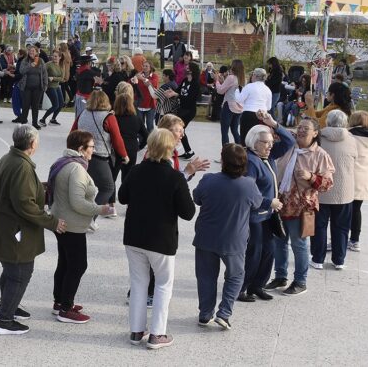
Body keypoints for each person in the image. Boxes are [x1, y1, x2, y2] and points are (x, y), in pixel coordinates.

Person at [0, 124, 66, 335]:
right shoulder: (22, 166)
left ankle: (6, 306)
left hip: (4, 226)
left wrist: (40, 186)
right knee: (20, 272)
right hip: (13, 230)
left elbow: (20, 191)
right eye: (37, 140)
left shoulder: (10, 158)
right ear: (31, 143)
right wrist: (52, 222)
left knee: (10, 270)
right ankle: (5, 321)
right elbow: (24, 203)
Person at [119, 128, 196, 349]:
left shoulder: (136, 170)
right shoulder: (174, 177)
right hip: (161, 240)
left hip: (134, 237)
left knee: (138, 283)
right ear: (170, 149)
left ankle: (136, 331)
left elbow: (122, 197)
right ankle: (157, 334)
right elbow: (188, 213)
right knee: (163, 285)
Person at [48, 130, 116, 324]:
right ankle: (66, 309)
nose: (93, 151)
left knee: (65, 262)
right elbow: (77, 202)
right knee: (78, 265)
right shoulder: (76, 169)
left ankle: (59, 301)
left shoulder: (61, 162)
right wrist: (102, 209)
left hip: (60, 220)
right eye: (92, 147)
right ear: (81, 149)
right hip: (72, 225)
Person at [191, 143, 262, 330]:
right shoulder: (248, 185)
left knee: (206, 276)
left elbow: (196, 198)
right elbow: (257, 204)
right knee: (236, 276)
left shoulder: (208, 180)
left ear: (222, 160)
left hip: (206, 237)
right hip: (234, 240)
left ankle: (205, 314)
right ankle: (224, 313)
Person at [267, 117, 334, 296]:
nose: (301, 131)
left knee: (299, 244)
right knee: (279, 241)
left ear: (315, 133)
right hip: (280, 202)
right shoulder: (288, 146)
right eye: (300, 127)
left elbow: (328, 184)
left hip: (302, 206)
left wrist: (311, 177)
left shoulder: (320, 155)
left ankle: (300, 281)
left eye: (306, 128)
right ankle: (280, 276)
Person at [236, 113, 294, 304]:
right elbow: (248, 191)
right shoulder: (252, 161)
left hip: (268, 215)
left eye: (271, 141)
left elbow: (289, 141)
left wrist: (273, 124)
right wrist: (270, 201)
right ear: (254, 142)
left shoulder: (266, 156)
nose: (270, 145)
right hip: (255, 216)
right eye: (266, 142)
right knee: (254, 252)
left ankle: (257, 285)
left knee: (268, 251)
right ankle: (241, 287)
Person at [71, 91, 128, 224]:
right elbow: (117, 139)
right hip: (98, 156)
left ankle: (81, 215)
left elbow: (73, 133)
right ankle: (89, 219)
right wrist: (124, 154)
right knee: (107, 187)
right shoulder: (108, 117)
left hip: (81, 156)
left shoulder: (83, 114)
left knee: (85, 187)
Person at [312, 110, 357, 270]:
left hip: (322, 189)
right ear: (345, 123)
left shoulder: (318, 138)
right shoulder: (352, 140)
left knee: (319, 226)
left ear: (327, 122)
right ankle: (339, 260)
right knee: (342, 227)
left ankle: (317, 259)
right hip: (344, 191)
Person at [348, 111, 368, 253]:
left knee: (345, 211)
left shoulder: (350, 135)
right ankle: (355, 240)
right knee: (357, 209)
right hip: (365, 177)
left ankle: (340, 238)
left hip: (351, 176)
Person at [113, 86, 146, 199]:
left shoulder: (114, 118)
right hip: (132, 148)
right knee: (127, 176)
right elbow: (146, 135)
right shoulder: (136, 118)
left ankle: (111, 201)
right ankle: (126, 198)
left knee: (112, 176)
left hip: (116, 149)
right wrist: (139, 146)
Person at [235, 68, 272, 141]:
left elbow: (239, 99)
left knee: (245, 138)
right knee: (258, 139)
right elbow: (268, 107)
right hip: (262, 116)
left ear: (255, 76)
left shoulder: (249, 86)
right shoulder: (268, 89)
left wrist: (236, 90)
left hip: (248, 114)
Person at [16, 46, 49, 129]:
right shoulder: (25, 60)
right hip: (26, 87)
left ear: (36, 52)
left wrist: (45, 85)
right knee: (26, 105)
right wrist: (30, 65)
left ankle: (35, 123)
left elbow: (45, 73)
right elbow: (21, 71)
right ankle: (24, 122)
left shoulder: (41, 61)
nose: (31, 52)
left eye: (33, 51)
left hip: (38, 88)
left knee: (35, 106)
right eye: (30, 51)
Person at [175, 65, 203, 160]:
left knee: (179, 129)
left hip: (189, 111)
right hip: (182, 109)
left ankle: (186, 151)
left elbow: (190, 99)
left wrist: (177, 95)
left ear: (192, 71)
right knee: (180, 130)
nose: (185, 69)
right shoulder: (184, 80)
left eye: (188, 68)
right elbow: (177, 91)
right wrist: (171, 92)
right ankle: (188, 151)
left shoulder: (195, 83)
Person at [217, 61, 244, 145]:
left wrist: (217, 81)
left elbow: (220, 91)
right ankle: (241, 151)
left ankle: (225, 154)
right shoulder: (242, 78)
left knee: (224, 131)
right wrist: (223, 82)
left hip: (229, 106)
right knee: (235, 130)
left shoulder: (231, 77)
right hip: (239, 107)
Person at [40, 50, 66, 126]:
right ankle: (42, 120)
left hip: (57, 86)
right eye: (53, 56)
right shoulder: (48, 64)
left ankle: (53, 119)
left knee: (61, 104)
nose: (53, 58)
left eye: (56, 56)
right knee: (55, 105)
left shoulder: (62, 65)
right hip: (49, 87)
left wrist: (53, 78)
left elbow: (62, 78)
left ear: (60, 57)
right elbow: (41, 73)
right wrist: (47, 78)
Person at [135, 61, 160, 132]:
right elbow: (131, 82)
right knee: (140, 126)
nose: (144, 68)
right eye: (143, 66)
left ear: (150, 68)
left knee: (150, 126)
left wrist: (142, 79)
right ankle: (141, 142)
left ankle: (150, 142)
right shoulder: (138, 75)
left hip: (150, 104)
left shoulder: (154, 76)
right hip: (139, 104)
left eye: (147, 66)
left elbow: (150, 83)